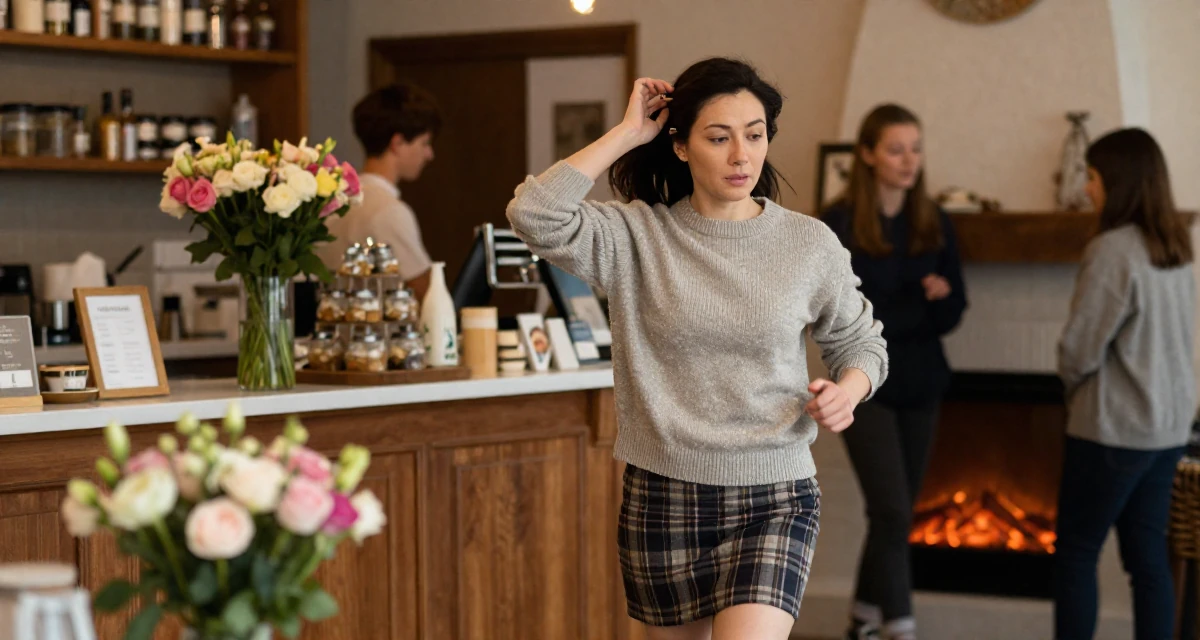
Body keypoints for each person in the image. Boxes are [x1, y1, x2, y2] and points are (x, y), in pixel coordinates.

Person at [506, 57, 888, 640]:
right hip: (664, 490)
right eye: (719, 137)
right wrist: (629, 132)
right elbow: (533, 215)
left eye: (755, 135)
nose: (742, 155)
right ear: (681, 146)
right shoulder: (634, 236)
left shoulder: (808, 243)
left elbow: (860, 339)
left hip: (775, 493)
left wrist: (849, 390)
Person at [820, 104, 967, 640]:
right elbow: (846, 319)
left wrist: (921, 303)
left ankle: (861, 619)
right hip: (864, 388)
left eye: (916, 148)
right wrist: (921, 301)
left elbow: (953, 313)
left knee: (894, 516)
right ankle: (900, 627)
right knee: (892, 510)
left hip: (924, 384)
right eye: (896, 149)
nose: (910, 161)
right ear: (867, 154)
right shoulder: (836, 224)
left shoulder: (934, 220)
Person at [1054, 127, 1195, 640]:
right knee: (1148, 559)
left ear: (1118, 181)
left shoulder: (1113, 249)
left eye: (1092, 177)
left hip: (1112, 430)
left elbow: (1078, 350)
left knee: (1076, 552)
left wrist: (1071, 388)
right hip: (1167, 430)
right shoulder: (1176, 246)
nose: (1088, 189)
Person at [317, 82, 441, 299]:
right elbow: (429, 294)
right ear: (397, 142)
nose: (429, 154)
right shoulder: (388, 211)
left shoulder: (333, 201)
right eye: (424, 143)